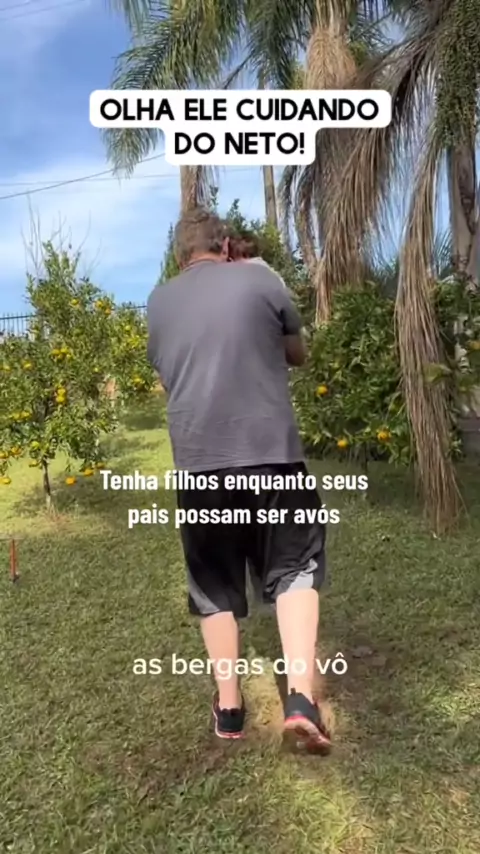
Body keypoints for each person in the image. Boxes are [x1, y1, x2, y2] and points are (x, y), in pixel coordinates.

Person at [146, 208, 330, 753]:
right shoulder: (260, 277)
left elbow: (169, 376)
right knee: (294, 567)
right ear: (225, 246)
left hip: (199, 465)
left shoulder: (158, 302)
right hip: (271, 457)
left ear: (180, 256)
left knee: (215, 584)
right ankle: (301, 701)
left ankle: (229, 708)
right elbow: (297, 353)